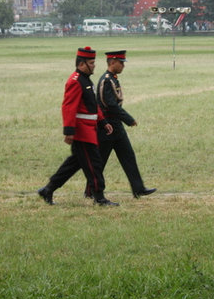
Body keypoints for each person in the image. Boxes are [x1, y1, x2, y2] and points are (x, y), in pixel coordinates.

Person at [38, 47, 119, 206]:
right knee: (94, 164)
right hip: (82, 132)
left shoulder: (86, 80)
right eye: (91, 62)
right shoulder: (75, 81)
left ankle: (48, 189)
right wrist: (69, 131)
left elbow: (92, 105)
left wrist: (103, 122)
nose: (94, 65)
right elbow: (69, 107)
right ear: (81, 64)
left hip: (90, 130)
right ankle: (99, 197)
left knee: (72, 165)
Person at [84, 50, 156, 199]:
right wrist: (128, 119)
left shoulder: (113, 79)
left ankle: (138, 188)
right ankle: (90, 191)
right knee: (100, 161)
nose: (123, 66)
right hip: (107, 128)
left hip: (116, 126)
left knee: (128, 156)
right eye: (121, 63)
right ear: (112, 62)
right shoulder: (106, 80)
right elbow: (110, 105)